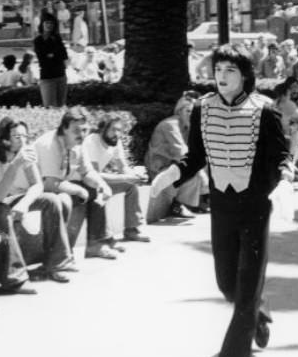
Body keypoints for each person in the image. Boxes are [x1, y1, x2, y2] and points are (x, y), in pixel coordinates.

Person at [154, 44, 293, 357]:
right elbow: (195, 157)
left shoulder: (264, 109)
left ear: (245, 74)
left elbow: (281, 155)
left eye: (230, 70)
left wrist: (286, 178)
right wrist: (172, 174)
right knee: (227, 284)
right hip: (223, 208)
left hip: (256, 207)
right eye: (219, 69)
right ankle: (257, 315)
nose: (222, 76)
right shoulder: (202, 109)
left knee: (246, 287)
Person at [0, 116, 75, 288]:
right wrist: (14, 165)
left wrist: (24, 203)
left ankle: (56, 264)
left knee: (52, 200)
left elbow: (37, 185)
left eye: (25, 136)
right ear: (4, 140)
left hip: (3, 201)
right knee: (2, 213)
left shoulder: (23, 151)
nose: (23, 141)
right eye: (17, 137)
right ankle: (13, 279)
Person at [32, 107, 122, 261]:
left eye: (84, 130)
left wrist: (102, 185)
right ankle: (58, 256)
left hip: (53, 185)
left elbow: (87, 172)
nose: (81, 135)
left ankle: (95, 244)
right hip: (30, 190)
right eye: (76, 130)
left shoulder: (78, 143)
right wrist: (79, 191)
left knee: (95, 191)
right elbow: (50, 184)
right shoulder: (49, 144)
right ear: (64, 128)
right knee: (69, 198)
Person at [81, 112, 152, 243]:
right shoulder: (92, 141)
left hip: (98, 181)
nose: (117, 134)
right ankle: (105, 237)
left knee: (131, 186)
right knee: (101, 191)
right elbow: (94, 174)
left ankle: (131, 230)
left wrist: (136, 177)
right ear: (103, 129)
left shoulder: (115, 141)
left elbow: (123, 166)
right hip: (85, 182)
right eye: (113, 129)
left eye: (119, 130)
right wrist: (125, 178)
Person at [144, 93, 209, 215]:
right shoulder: (170, 125)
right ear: (179, 111)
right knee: (194, 171)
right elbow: (182, 152)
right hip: (158, 169)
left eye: (194, 112)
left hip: (172, 166)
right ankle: (178, 205)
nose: (191, 115)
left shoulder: (187, 126)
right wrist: (203, 176)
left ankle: (199, 202)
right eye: (187, 111)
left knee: (206, 164)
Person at [34, 13, 69, 108]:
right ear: (42, 24)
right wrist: (54, 55)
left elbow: (64, 55)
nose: (49, 25)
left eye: (52, 23)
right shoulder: (38, 40)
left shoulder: (57, 38)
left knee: (61, 107)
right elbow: (43, 59)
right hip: (47, 78)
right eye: (47, 23)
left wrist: (52, 55)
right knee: (50, 108)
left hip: (61, 76)